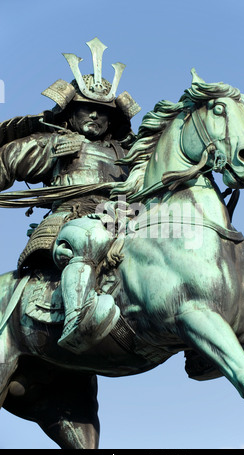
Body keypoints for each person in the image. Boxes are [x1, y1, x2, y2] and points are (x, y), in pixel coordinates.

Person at [0, 38, 140, 353]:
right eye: (85, 108)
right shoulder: (56, 143)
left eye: (102, 111)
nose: (94, 115)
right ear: (70, 112)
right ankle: (77, 320)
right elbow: (5, 162)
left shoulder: (127, 154)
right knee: (85, 238)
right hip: (72, 220)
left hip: (122, 221)